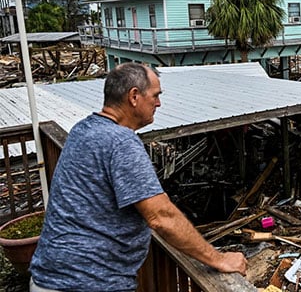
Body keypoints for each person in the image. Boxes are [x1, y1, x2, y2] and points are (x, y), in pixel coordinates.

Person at [30, 63, 246, 291]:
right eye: (155, 95)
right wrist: (218, 259)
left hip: (49, 276)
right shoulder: (121, 142)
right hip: (87, 283)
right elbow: (161, 217)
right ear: (134, 96)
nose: (159, 103)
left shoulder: (82, 130)